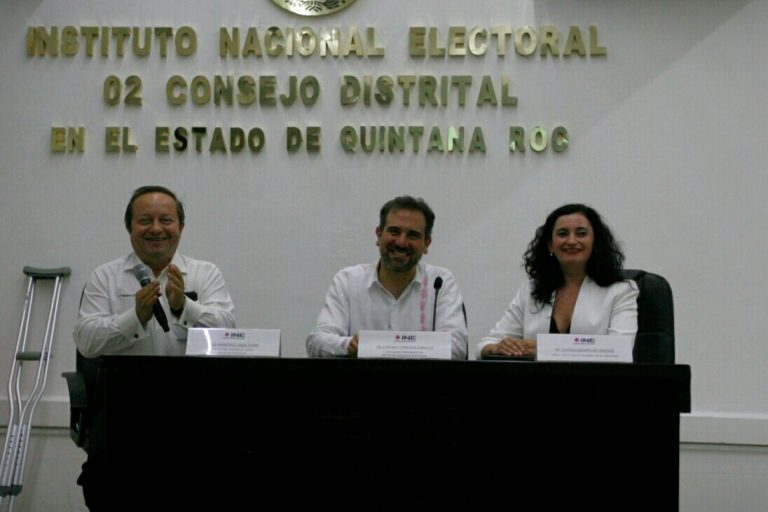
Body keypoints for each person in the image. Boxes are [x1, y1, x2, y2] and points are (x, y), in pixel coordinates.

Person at [74, 185, 236, 356]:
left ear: (180, 228)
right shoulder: (105, 276)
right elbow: (86, 343)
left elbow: (228, 336)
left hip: (192, 382)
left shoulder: (206, 274)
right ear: (129, 227)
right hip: (124, 382)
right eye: (145, 221)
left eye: (166, 220)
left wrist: (184, 307)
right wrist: (135, 318)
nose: (156, 229)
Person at [307, 195, 468, 360]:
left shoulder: (440, 283)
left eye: (412, 235)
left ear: (426, 243)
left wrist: (390, 347)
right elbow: (316, 342)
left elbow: (456, 347)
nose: (401, 242)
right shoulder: (348, 280)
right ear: (378, 234)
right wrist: (349, 345)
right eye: (394, 231)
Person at [478, 203, 638, 358]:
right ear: (550, 245)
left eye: (581, 233)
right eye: (562, 234)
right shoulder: (532, 289)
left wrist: (545, 348)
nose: (571, 241)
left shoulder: (621, 290)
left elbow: (619, 350)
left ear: (595, 242)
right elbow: (486, 344)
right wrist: (497, 348)